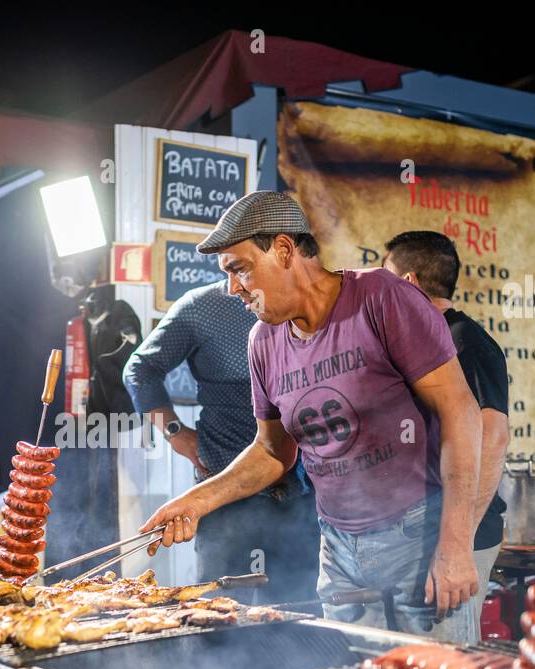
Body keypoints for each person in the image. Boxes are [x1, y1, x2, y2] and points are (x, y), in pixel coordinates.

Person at [141, 191, 483, 644]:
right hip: (337, 546)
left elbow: (461, 413)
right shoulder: (263, 340)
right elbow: (271, 452)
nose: (232, 288)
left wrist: (457, 544)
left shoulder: (383, 298)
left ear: (283, 250)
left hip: (416, 535)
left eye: (239, 269)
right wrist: (197, 501)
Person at [123, 280, 319, 602]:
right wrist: (176, 434)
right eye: (229, 266)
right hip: (224, 495)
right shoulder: (201, 306)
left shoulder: (305, 302)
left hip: (300, 494)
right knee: (219, 620)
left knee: (297, 616)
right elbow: (140, 370)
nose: (234, 280)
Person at [382, 231, 510, 625]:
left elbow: (492, 438)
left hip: (453, 545)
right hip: (416, 541)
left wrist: (457, 545)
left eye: (386, 280)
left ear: (408, 284)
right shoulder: (427, 343)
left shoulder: (464, 342)